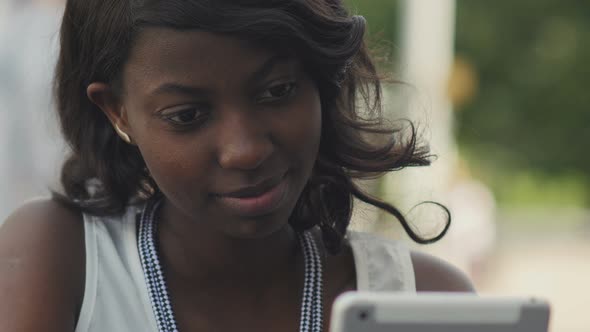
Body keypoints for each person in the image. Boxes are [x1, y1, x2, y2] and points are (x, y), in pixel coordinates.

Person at [0, 1, 474, 331]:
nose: (245, 150)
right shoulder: (61, 260)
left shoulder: (425, 301)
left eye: (278, 91)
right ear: (117, 112)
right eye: (187, 116)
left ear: (320, 81)